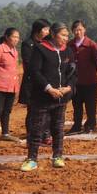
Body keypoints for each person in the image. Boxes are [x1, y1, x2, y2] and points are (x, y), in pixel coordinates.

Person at [22, 22, 76, 171]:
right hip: (42, 97)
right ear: (53, 34)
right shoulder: (40, 49)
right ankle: (31, 159)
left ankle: (57, 156)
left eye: (67, 35)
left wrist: (68, 87)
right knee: (36, 128)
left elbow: (72, 72)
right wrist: (49, 88)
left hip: (61, 97)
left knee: (58, 128)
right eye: (63, 35)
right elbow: (34, 72)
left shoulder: (68, 51)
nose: (66, 38)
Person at [67, 20, 97, 134]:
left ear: (84, 30)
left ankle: (90, 125)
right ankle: (77, 125)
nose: (78, 32)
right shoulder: (69, 45)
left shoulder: (91, 45)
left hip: (90, 81)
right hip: (75, 82)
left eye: (80, 29)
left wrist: (90, 71)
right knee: (76, 105)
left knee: (90, 105)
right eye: (75, 30)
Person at [19, 19, 51, 142]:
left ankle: (46, 134)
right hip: (32, 82)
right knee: (33, 110)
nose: (48, 32)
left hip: (45, 81)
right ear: (38, 30)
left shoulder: (47, 43)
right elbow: (29, 63)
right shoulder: (28, 44)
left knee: (47, 109)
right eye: (45, 29)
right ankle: (31, 135)